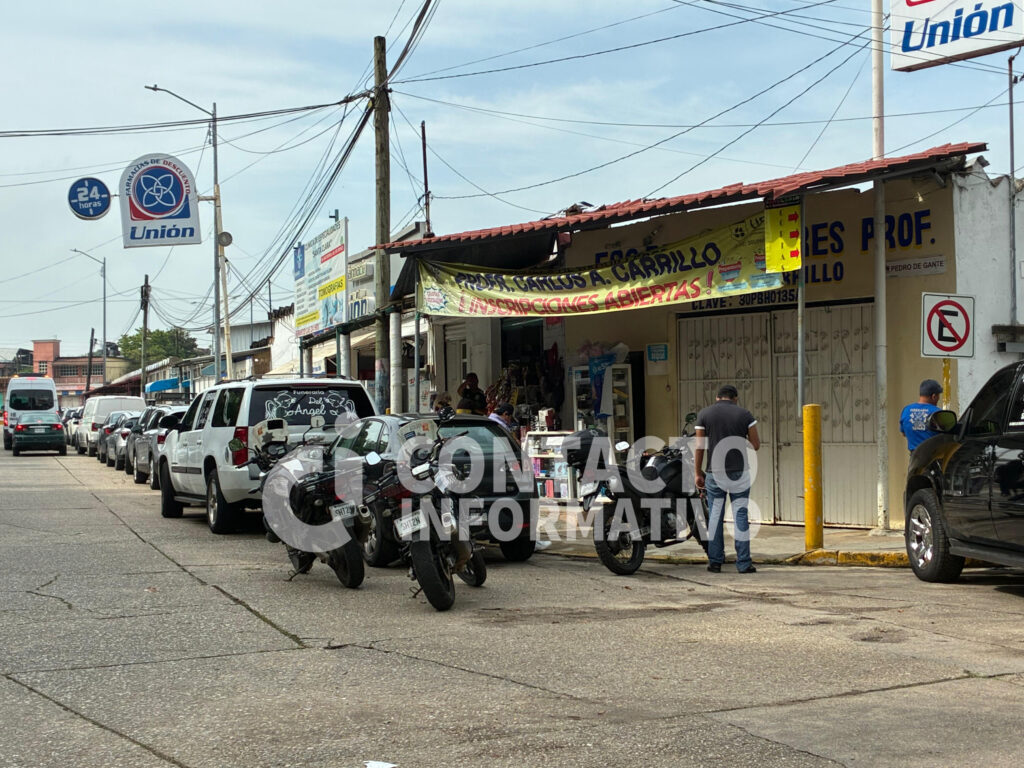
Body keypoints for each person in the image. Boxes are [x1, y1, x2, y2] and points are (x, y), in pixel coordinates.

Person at [694, 384, 760, 574]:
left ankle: (715, 562)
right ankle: (744, 563)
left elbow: (699, 447)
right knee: (740, 515)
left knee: (715, 516)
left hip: (714, 472)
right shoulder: (745, 414)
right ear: (735, 398)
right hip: (739, 471)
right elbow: (755, 444)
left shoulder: (704, 414)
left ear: (717, 397)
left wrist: (697, 472)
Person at [899, 378, 943, 452]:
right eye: (938, 395)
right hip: (934, 455)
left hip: (914, 456)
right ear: (934, 396)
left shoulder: (906, 410)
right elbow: (945, 436)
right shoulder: (937, 412)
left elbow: (903, 433)